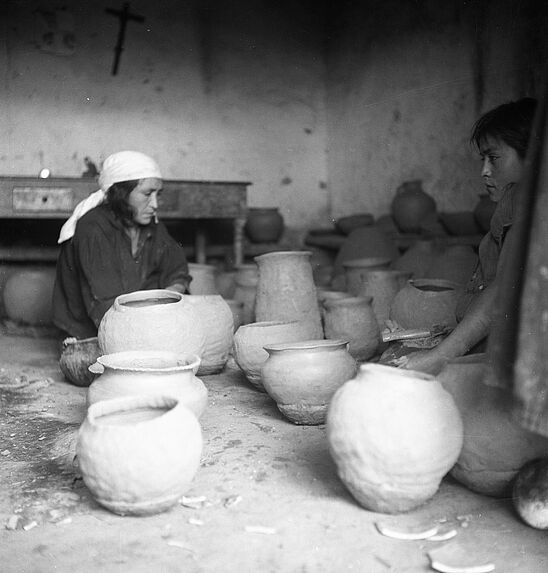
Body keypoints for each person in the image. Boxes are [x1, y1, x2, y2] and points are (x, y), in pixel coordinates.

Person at [399, 97, 538, 375]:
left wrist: (441, 356)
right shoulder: (519, 201)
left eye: (494, 158)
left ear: (532, 156)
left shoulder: (521, 196)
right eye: (483, 159)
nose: (484, 171)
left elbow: (504, 289)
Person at [52, 150, 192, 339]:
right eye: (147, 194)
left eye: (158, 194)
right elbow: (106, 308)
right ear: (121, 194)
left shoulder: (152, 226)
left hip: (139, 322)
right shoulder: (93, 229)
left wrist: (170, 296)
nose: (155, 204)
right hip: (94, 331)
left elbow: (177, 271)